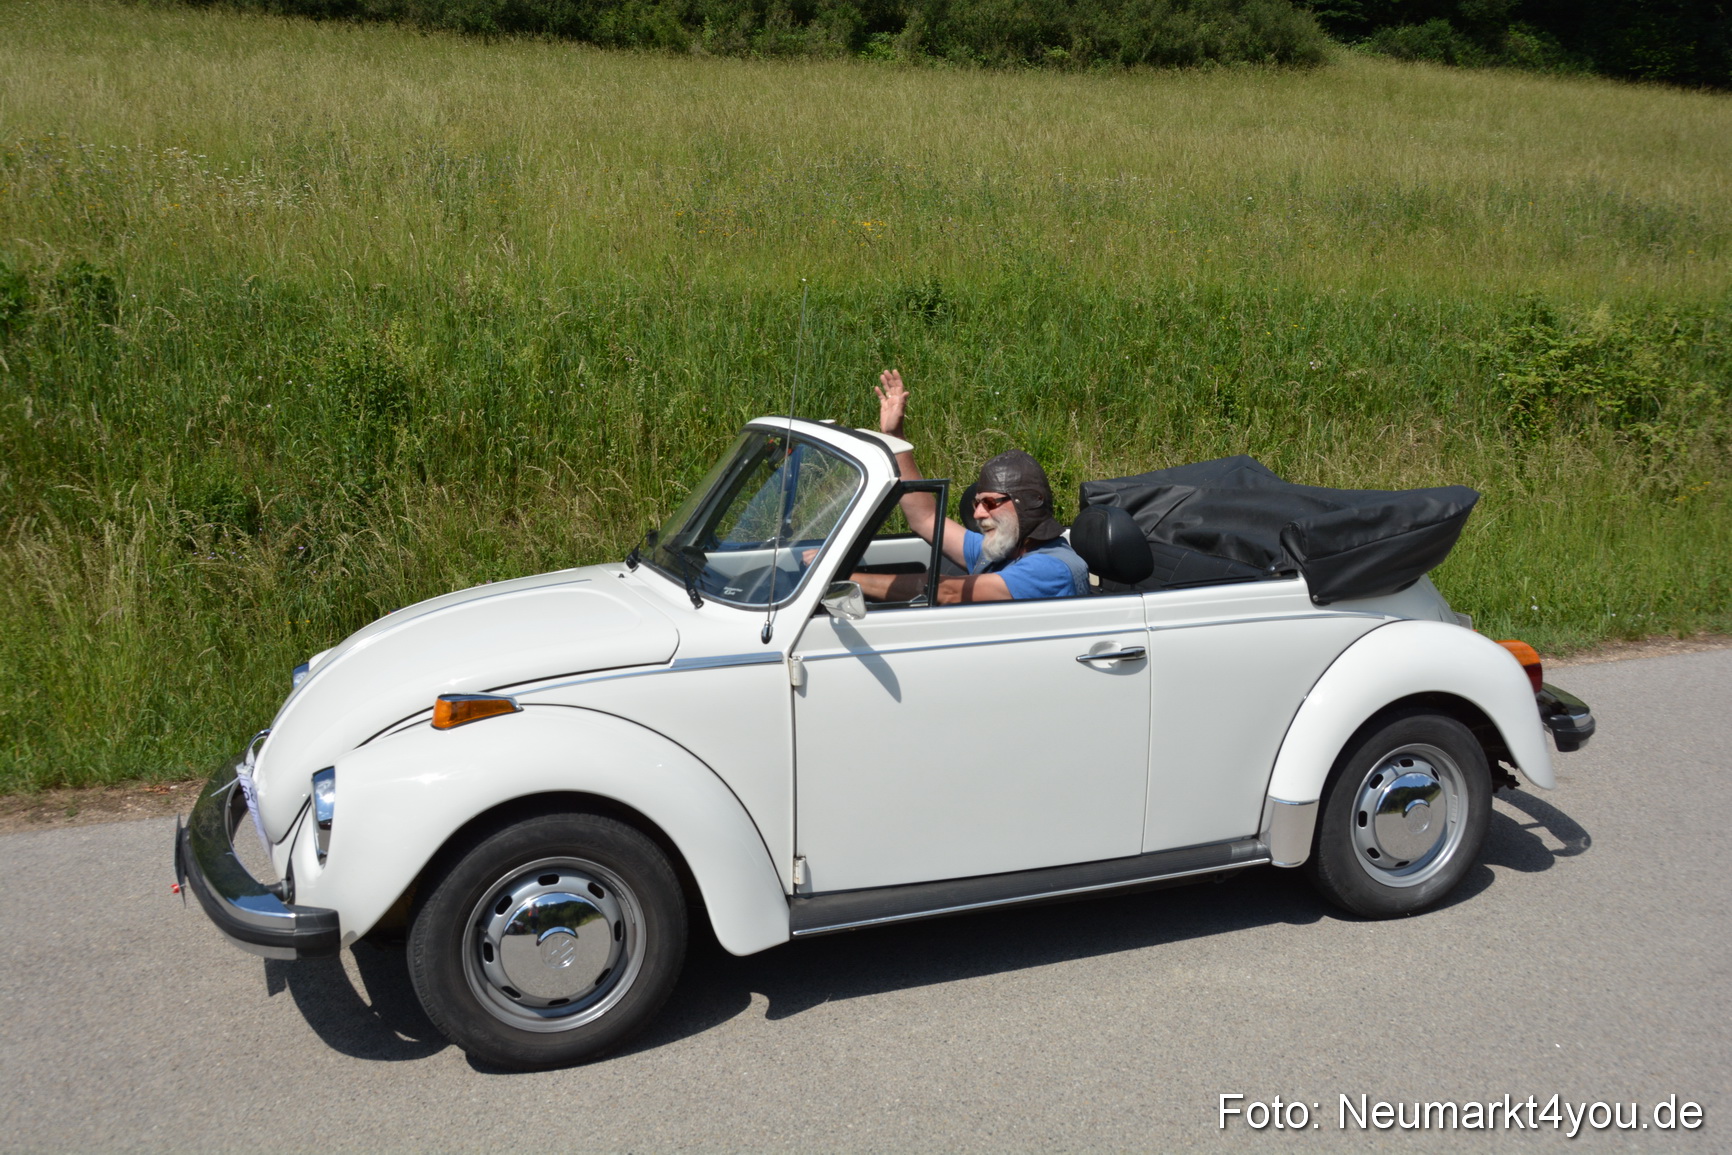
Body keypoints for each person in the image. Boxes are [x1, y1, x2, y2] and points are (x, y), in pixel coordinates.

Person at [847, 369, 1089, 604]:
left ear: (1028, 503)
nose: (977, 513)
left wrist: (843, 580)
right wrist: (895, 438)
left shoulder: (1052, 568)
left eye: (991, 502)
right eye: (978, 502)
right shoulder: (1006, 547)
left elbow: (948, 592)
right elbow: (926, 518)